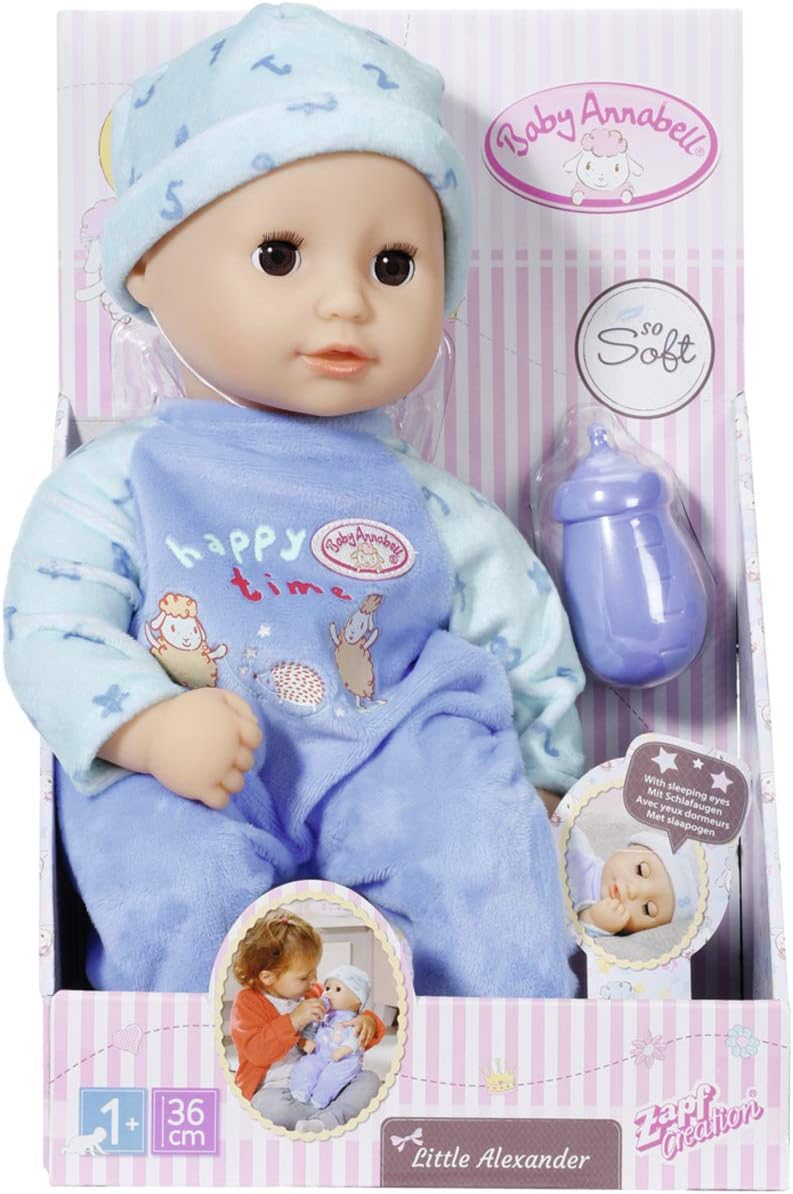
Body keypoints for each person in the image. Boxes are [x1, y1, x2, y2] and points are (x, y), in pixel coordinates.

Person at [4, 2, 585, 996]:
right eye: (280, 255)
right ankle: (194, 1044)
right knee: (168, 866)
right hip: (191, 753)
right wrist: (143, 726)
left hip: (392, 747)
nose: (347, 301)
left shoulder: (427, 501)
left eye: (393, 265)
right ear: (147, 264)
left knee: (474, 841)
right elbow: (48, 621)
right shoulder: (120, 479)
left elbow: (520, 629)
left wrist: (542, 783)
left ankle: (501, 1037)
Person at [230, 909, 384, 1131]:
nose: (314, 980)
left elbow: (346, 1014)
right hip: (276, 1088)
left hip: (325, 1077)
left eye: (314, 971)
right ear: (268, 977)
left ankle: (323, 1119)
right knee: (265, 1107)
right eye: (304, 976)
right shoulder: (248, 1002)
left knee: (370, 1080)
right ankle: (331, 1117)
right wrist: (293, 1020)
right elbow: (256, 1052)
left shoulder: (315, 993)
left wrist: (367, 1020)